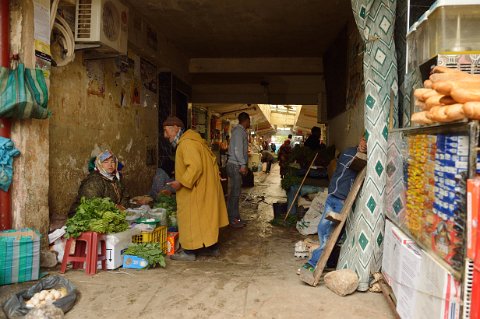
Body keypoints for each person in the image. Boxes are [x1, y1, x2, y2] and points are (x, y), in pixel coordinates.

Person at [163, 116, 229, 261]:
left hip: (195, 189)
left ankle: (188, 252)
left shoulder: (186, 143)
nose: (165, 135)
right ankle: (212, 247)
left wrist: (181, 182)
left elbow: (195, 167)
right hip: (205, 187)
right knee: (206, 218)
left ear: (176, 127)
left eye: (166, 130)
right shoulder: (196, 141)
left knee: (190, 218)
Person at [299, 137, 367, 275]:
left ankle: (314, 263)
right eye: (364, 140)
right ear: (360, 139)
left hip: (341, 201)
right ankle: (326, 260)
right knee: (323, 230)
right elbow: (350, 164)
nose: (365, 144)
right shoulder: (349, 152)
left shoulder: (364, 158)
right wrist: (361, 153)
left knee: (328, 236)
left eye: (368, 143)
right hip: (333, 197)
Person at [69, 150, 130, 217]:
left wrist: (122, 206)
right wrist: (115, 207)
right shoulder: (94, 180)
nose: (110, 165)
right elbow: (93, 204)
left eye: (112, 162)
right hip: (86, 215)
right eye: (105, 162)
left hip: (111, 214)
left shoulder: (117, 177)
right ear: (99, 164)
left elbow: (125, 195)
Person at [226, 112, 250, 228]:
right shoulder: (239, 131)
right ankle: (233, 219)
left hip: (234, 164)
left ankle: (235, 217)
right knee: (234, 194)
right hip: (235, 165)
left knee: (235, 193)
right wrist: (243, 165)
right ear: (247, 120)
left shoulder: (239, 131)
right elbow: (237, 150)